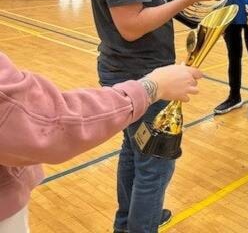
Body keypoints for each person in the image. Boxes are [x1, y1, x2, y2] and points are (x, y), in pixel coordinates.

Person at [90, 0, 228, 233]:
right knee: (155, 165)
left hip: (131, 71)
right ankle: (141, 224)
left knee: (135, 154)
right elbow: (131, 25)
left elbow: (147, 7)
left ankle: (129, 221)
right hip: (140, 75)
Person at [0, 53, 202, 233]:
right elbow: (50, 124)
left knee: (133, 151)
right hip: (137, 71)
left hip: (124, 70)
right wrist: (153, 87)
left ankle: (124, 223)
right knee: (153, 166)